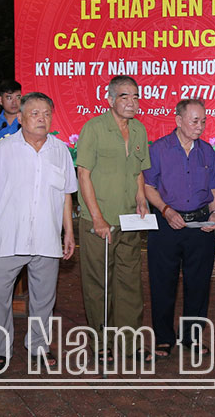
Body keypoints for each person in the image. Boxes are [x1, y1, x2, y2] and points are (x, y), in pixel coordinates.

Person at [0, 92, 78, 370]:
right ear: (20, 118)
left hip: (47, 237)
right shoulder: (3, 149)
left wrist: (68, 233)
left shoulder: (60, 151)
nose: (41, 119)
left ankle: (39, 346)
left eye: (46, 113)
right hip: (8, 236)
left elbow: (67, 195)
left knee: (44, 299)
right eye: (34, 113)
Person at [75, 75, 152, 363]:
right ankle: (102, 343)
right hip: (99, 221)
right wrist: (97, 218)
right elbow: (83, 174)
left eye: (135, 96)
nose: (131, 102)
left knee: (130, 282)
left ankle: (129, 343)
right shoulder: (93, 128)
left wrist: (141, 197)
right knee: (99, 284)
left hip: (129, 220)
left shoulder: (140, 130)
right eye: (124, 96)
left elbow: (138, 171)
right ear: (110, 100)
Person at [142, 99, 215, 358]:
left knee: (198, 285)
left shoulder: (207, 151)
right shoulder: (159, 150)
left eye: (203, 121)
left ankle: (192, 337)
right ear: (178, 120)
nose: (200, 126)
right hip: (166, 225)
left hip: (200, 227)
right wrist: (166, 210)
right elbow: (148, 186)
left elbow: (214, 188)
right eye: (194, 121)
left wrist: (214, 212)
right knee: (162, 283)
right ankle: (164, 337)